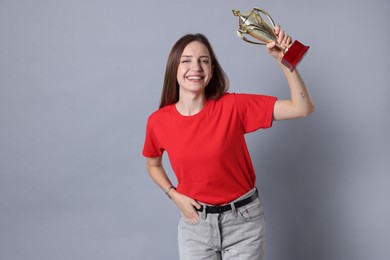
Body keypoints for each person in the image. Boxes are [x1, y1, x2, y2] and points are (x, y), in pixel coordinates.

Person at [142, 25, 314, 259]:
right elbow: (153, 164)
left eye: (204, 61)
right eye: (186, 61)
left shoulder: (233, 107)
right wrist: (173, 194)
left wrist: (286, 60)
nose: (196, 68)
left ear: (212, 70)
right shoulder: (158, 121)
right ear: (174, 68)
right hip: (195, 225)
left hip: (243, 223)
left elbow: (302, 108)